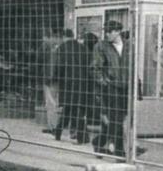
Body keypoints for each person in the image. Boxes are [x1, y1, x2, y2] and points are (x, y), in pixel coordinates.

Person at [91, 20, 132, 157]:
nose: (107, 34)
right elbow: (95, 67)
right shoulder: (101, 46)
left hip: (125, 87)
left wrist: (136, 86)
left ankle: (98, 142)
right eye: (106, 31)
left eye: (110, 31)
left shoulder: (129, 46)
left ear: (118, 31)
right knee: (116, 119)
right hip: (111, 87)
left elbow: (133, 67)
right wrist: (104, 83)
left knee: (119, 119)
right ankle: (120, 152)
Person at [54, 29, 91, 143]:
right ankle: (80, 137)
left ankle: (58, 132)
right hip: (82, 83)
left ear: (64, 36)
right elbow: (89, 66)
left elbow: (58, 67)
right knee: (78, 110)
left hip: (67, 84)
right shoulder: (83, 48)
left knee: (67, 109)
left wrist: (57, 79)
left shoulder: (61, 49)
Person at [39, 29, 64, 135]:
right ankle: (55, 125)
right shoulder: (61, 45)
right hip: (59, 78)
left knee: (50, 103)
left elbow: (41, 59)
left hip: (50, 78)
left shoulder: (47, 46)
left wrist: (48, 77)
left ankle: (53, 127)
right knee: (56, 103)